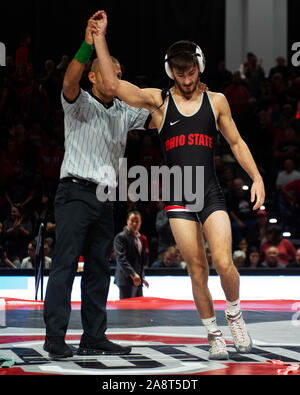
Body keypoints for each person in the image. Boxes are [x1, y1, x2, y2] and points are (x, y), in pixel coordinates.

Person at [92, 10, 265, 360]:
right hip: (177, 197)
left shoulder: (216, 101)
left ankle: (234, 315)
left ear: (199, 67)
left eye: (191, 71)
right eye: (179, 72)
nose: (186, 78)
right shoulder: (159, 102)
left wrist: (257, 177)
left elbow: (236, 143)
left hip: (210, 193)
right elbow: (111, 86)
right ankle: (213, 334)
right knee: (197, 269)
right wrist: (99, 37)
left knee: (224, 261)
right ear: (171, 70)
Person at [43, 16, 152, 359]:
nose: (115, 80)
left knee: (98, 272)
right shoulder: (79, 102)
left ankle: (93, 336)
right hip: (75, 192)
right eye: (109, 73)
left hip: (106, 198)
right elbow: (68, 79)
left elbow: (157, 111)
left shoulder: (124, 111)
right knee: (63, 266)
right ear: (94, 75)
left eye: (118, 75)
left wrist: (190, 96)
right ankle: (55, 338)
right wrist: (88, 42)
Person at [114, 211, 149, 299]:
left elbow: (139, 261)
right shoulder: (121, 237)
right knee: (126, 311)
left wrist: (142, 276)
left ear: (140, 223)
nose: (134, 224)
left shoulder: (140, 239)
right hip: (125, 280)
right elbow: (121, 258)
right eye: (132, 221)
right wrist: (133, 274)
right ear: (127, 221)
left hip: (138, 280)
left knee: (139, 309)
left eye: (137, 221)